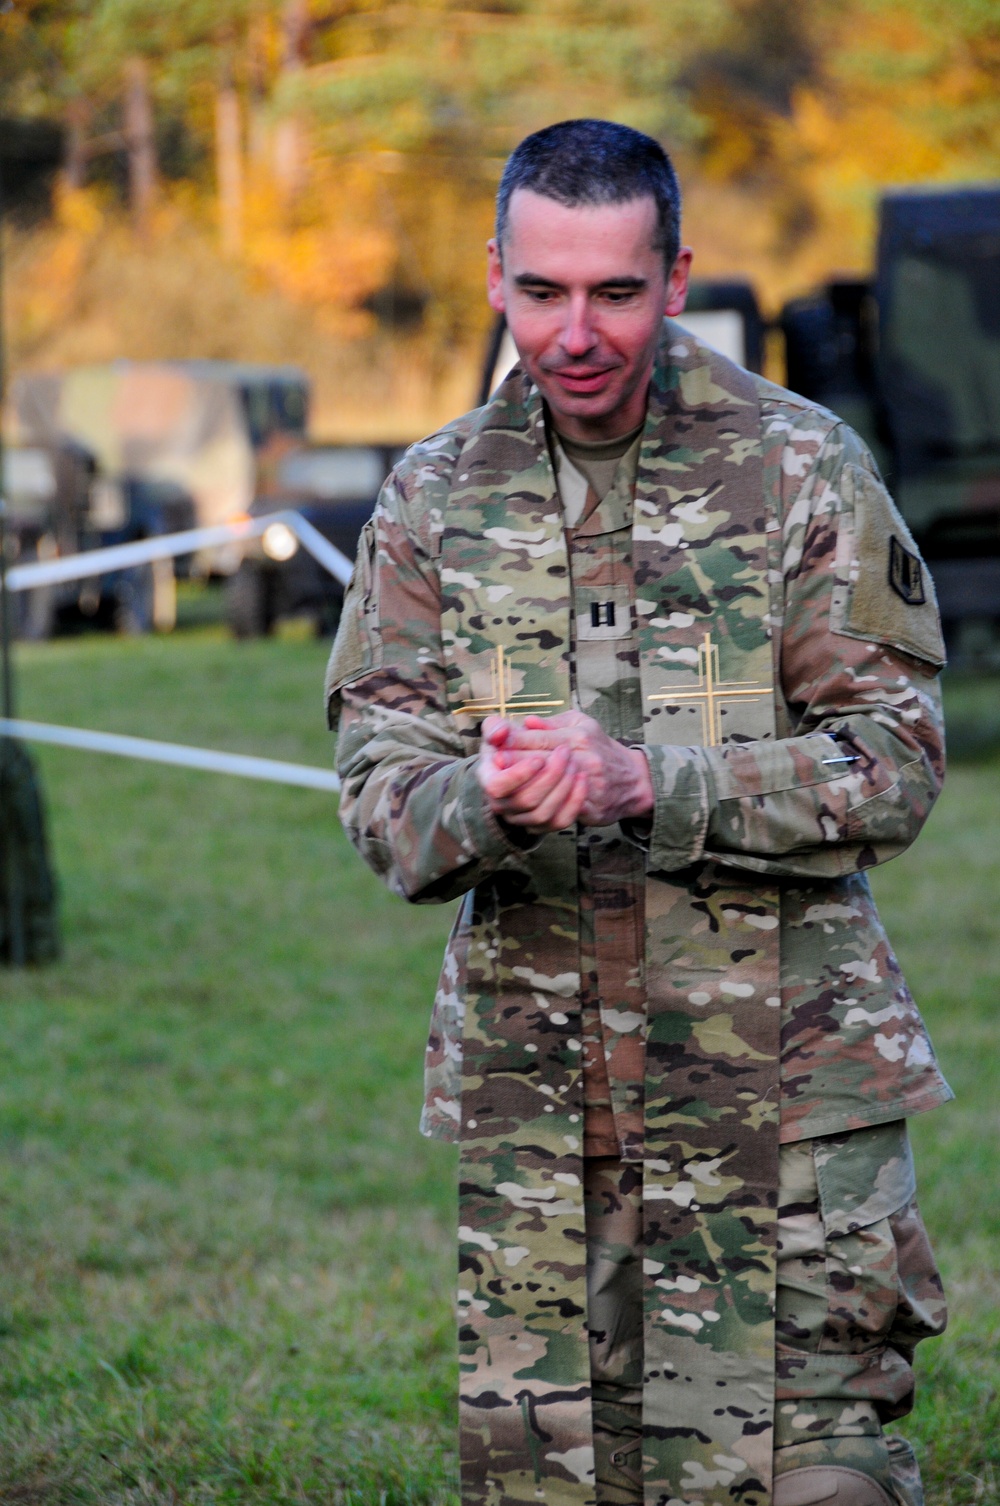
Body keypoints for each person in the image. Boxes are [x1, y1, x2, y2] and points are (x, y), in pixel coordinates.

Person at [326, 119, 951, 1506]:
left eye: (616, 290)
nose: (577, 332)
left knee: (803, 1484)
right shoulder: (435, 496)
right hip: (549, 1110)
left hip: (783, 1090)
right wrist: (483, 797)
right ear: (495, 275)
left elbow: (897, 759)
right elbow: (382, 800)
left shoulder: (800, 467)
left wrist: (645, 778)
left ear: (678, 278)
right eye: (543, 291)